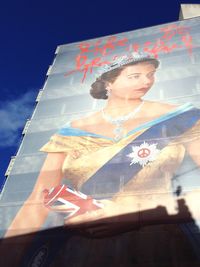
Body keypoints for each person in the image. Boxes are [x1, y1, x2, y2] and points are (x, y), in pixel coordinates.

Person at [3, 52, 200, 266]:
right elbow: (37, 200)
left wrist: (135, 214)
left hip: (157, 241)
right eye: (135, 76)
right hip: (79, 247)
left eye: (150, 75)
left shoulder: (182, 117)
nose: (146, 81)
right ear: (108, 83)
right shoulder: (71, 131)